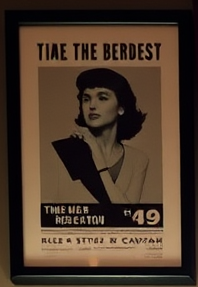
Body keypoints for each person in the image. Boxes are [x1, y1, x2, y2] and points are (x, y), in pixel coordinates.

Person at [52, 67, 149, 206]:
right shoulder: (64, 152)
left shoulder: (139, 159)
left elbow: (128, 217)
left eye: (102, 98)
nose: (92, 105)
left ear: (121, 108)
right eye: (86, 99)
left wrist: (97, 154)